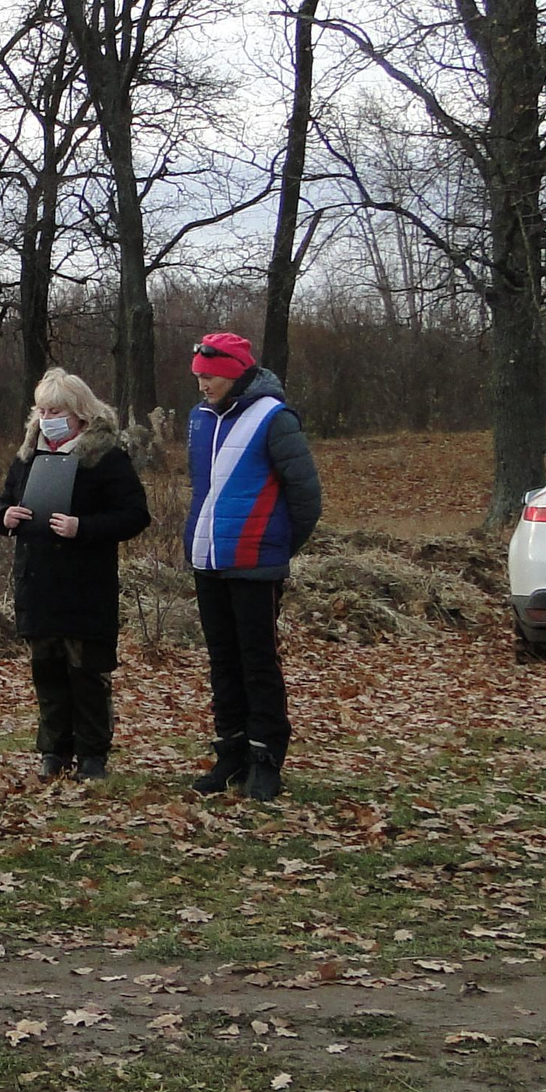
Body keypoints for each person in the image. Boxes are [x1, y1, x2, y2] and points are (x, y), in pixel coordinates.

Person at [183, 331, 323, 802]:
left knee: (257, 662)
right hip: (209, 561)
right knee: (223, 662)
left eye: (212, 376)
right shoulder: (199, 419)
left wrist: (276, 545)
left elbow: (305, 496)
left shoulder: (274, 418)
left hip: (256, 564)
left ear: (236, 372)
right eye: (200, 376)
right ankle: (231, 751)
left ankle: (266, 758)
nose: (203, 384)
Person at [0, 368, 152, 780]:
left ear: (80, 413)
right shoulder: (27, 456)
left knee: (87, 674)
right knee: (47, 673)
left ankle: (93, 754)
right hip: (38, 583)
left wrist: (84, 527)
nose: (48, 417)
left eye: (57, 410)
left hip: (86, 586)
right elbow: (4, 502)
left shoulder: (107, 457)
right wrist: (4, 517)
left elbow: (134, 515)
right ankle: (54, 751)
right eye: (42, 409)